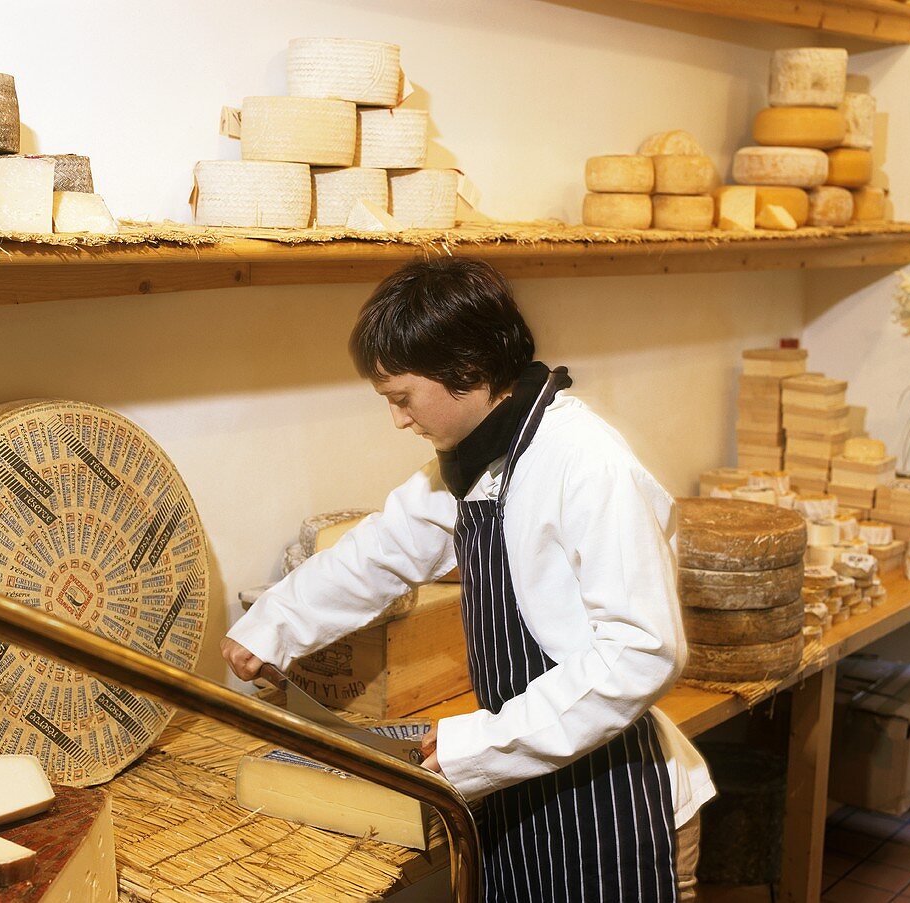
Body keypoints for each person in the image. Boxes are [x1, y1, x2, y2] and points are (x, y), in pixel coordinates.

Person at [222, 258, 714, 902]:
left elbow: (641, 652)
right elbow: (383, 549)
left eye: (401, 398)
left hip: (614, 796)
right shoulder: (480, 459)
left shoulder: (584, 462)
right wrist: (271, 626)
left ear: (467, 369)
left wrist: (480, 743)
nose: (397, 419)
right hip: (526, 784)